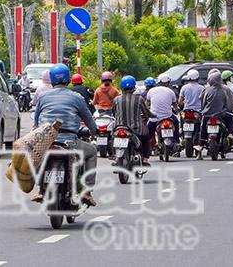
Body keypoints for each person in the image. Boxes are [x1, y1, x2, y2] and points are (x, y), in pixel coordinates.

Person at [32, 64, 98, 206]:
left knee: (36, 156)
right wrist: (94, 131)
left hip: (46, 141)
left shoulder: (42, 97)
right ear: (68, 79)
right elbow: (88, 119)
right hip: (70, 142)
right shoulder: (77, 97)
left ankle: (40, 189)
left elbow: (36, 121)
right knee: (92, 151)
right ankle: (87, 191)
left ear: (52, 80)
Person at [113, 76, 153, 166]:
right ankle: (145, 159)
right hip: (136, 129)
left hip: (119, 128)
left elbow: (114, 112)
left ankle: (115, 157)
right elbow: (146, 112)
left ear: (122, 87)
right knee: (146, 138)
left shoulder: (116, 99)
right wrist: (151, 116)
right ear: (134, 87)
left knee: (112, 139)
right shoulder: (139, 99)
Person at [198, 69, 233, 157]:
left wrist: (204, 111)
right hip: (220, 115)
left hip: (207, 115)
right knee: (232, 118)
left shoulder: (206, 90)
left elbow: (203, 103)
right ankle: (230, 134)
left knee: (203, 128)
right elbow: (227, 105)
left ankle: (200, 145)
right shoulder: (223, 90)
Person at [146, 74, 179, 152]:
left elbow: (147, 103)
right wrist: (176, 111)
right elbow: (175, 105)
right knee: (176, 122)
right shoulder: (171, 91)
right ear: (167, 83)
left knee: (148, 134)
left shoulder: (151, 91)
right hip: (168, 117)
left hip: (154, 118)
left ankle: (146, 147)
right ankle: (176, 140)